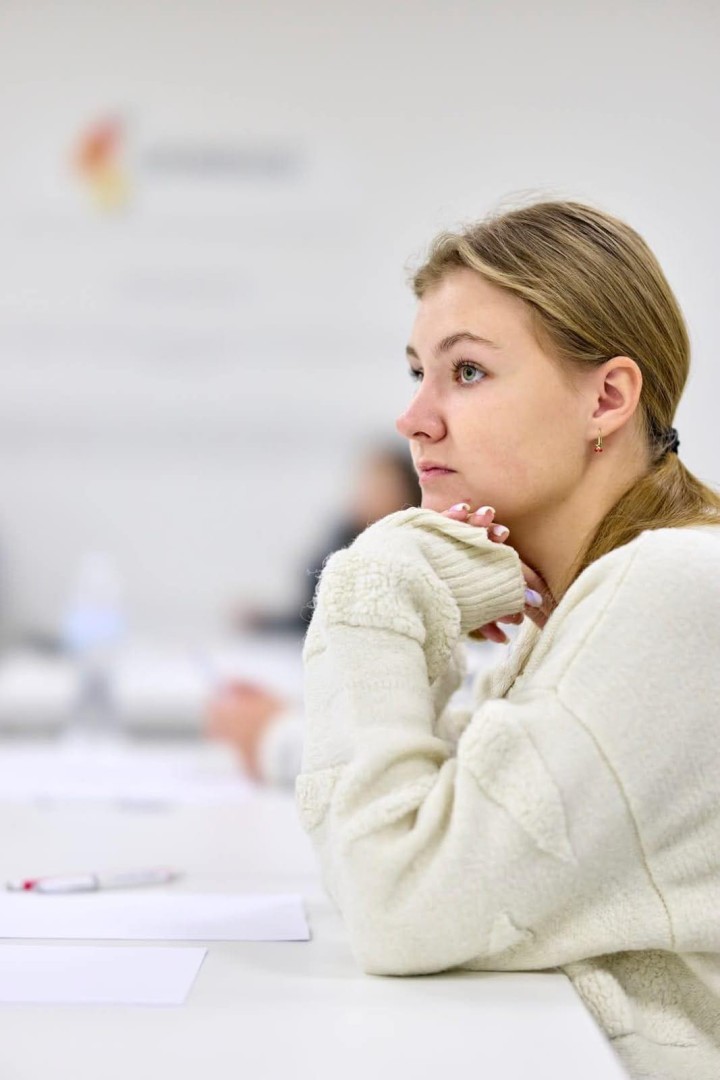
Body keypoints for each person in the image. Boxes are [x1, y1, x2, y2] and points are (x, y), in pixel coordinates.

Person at [296, 200, 720, 1080]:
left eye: (468, 372)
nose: (415, 418)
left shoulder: (672, 588)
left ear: (608, 398)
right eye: (417, 372)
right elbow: (368, 847)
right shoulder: (576, 608)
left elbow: (393, 903)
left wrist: (379, 580)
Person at [206, 444, 421, 784]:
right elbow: (307, 615)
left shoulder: (413, 550)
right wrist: (265, 622)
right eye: (366, 483)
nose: (367, 493)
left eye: (381, 484)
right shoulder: (338, 541)